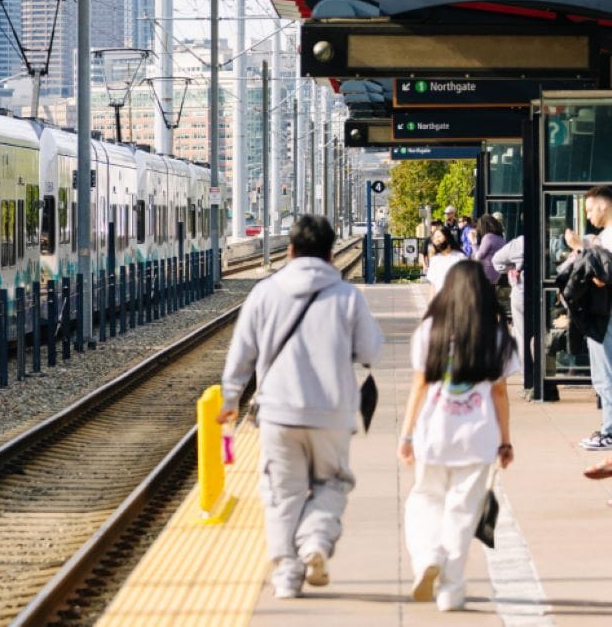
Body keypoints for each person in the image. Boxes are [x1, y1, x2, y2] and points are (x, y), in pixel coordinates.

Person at [216, 214, 384, 599]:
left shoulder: (264, 293)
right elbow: (371, 350)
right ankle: (315, 543)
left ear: (290, 250)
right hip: (331, 412)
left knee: (281, 493)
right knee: (333, 482)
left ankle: (287, 575)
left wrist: (229, 401)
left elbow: (241, 356)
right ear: (329, 254)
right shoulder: (347, 296)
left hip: (278, 413)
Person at [398, 260, 517, 612]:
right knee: (463, 512)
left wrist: (406, 435)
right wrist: (505, 441)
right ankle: (451, 587)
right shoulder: (497, 339)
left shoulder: (428, 332)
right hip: (478, 438)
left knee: (424, 500)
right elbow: (499, 394)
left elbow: (419, 385)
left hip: (433, 434)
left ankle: (428, 556)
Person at [562, 185, 612, 452]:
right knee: (603, 376)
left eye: (591, 209)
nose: (589, 215)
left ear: (604, 205)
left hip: (605, 316)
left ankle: (610, 431)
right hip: (601, 315)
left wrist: (582, 248)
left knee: (606, 376)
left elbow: (602, 276)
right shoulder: (603, 237)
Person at [492, 234, 526, 362]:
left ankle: (527, 370)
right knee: (542, 333)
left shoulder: (520, 242)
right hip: (546, 295)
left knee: (522, 335)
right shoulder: (551, 238)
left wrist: (510, 269)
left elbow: (497, 260)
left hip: (522, 292)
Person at [425, 225, 466, 296]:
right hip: (441, 301)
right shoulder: (435, 260)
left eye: (439, 236)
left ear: (447, 237)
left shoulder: (460, 258)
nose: (437, 240)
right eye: (434, 238)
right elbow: (433, 285)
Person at [473, 213, 506, 285]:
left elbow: (478, 256)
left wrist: (474, 243)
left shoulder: (488, 237)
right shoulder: (500, 237)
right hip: (496, 272)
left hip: (486, 272)